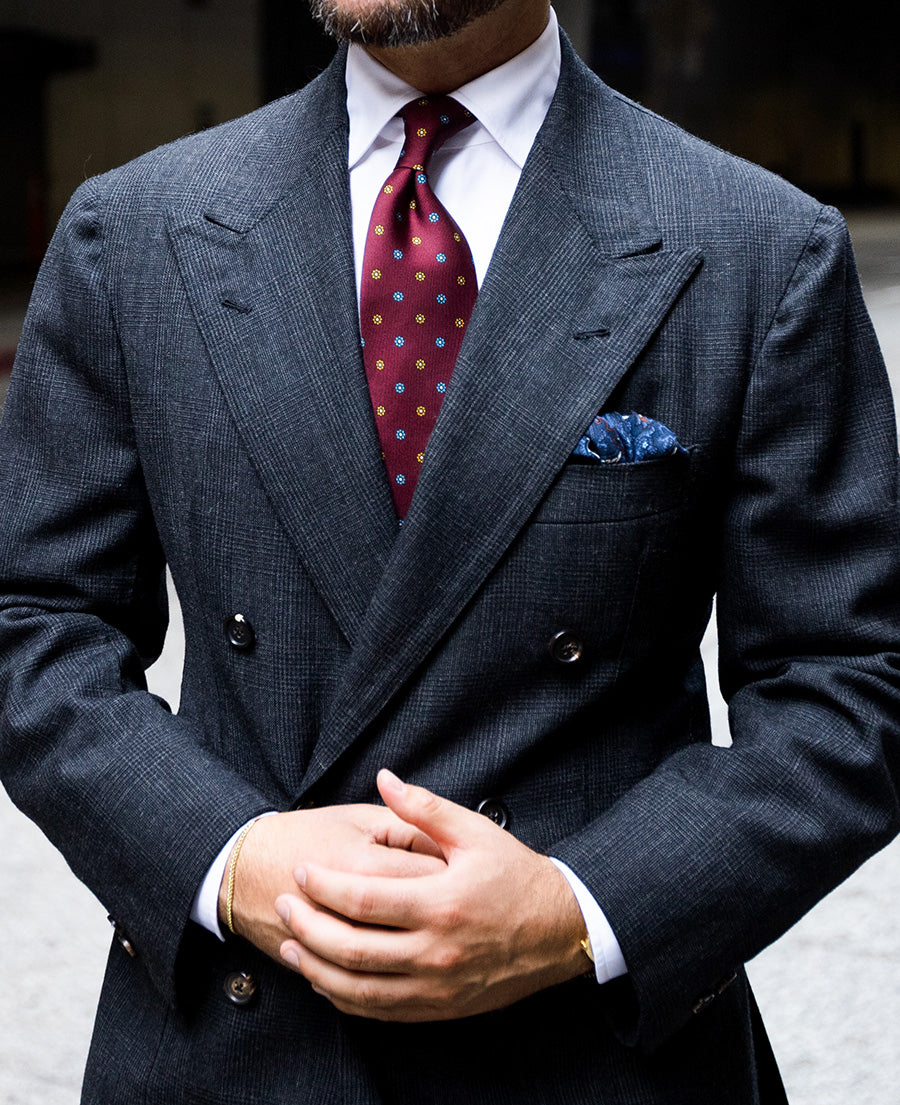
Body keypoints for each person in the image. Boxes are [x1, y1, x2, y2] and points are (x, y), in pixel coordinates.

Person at [0, 1, 898, 1102]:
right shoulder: (133, 232)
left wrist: (581, 909)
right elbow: (34, 621)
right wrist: (228, 859)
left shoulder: (760, 245)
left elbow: (850, 681)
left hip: (587, 1058)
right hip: (235, 1044)